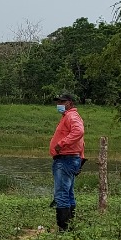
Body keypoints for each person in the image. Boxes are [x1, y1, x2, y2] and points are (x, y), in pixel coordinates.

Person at [50, 92, 85, 231]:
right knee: (68, 193)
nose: (59, 104)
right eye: (58, 102)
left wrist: (61, 143)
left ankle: (64, 229)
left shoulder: (71, 116)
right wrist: (80, 158)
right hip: (70, 159)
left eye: (62, 102)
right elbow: (81, 142)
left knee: (61, 195)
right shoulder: (69, 116)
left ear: (69, 103)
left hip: (65, 159)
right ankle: (70, 226)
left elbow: (79, 132)